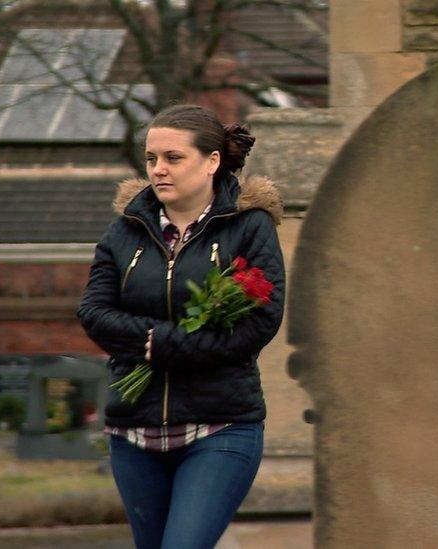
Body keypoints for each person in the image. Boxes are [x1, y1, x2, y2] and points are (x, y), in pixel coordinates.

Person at [77, 104, 285, 549]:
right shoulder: (125, 230)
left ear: (211, 161)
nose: (159, 170)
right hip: (134, 429)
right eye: (152, 159)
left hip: (219, 426)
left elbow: (258, 322)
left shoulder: (248, 227)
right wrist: (153, 339)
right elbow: (94, 312)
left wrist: (164, 344)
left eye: (173, 158)